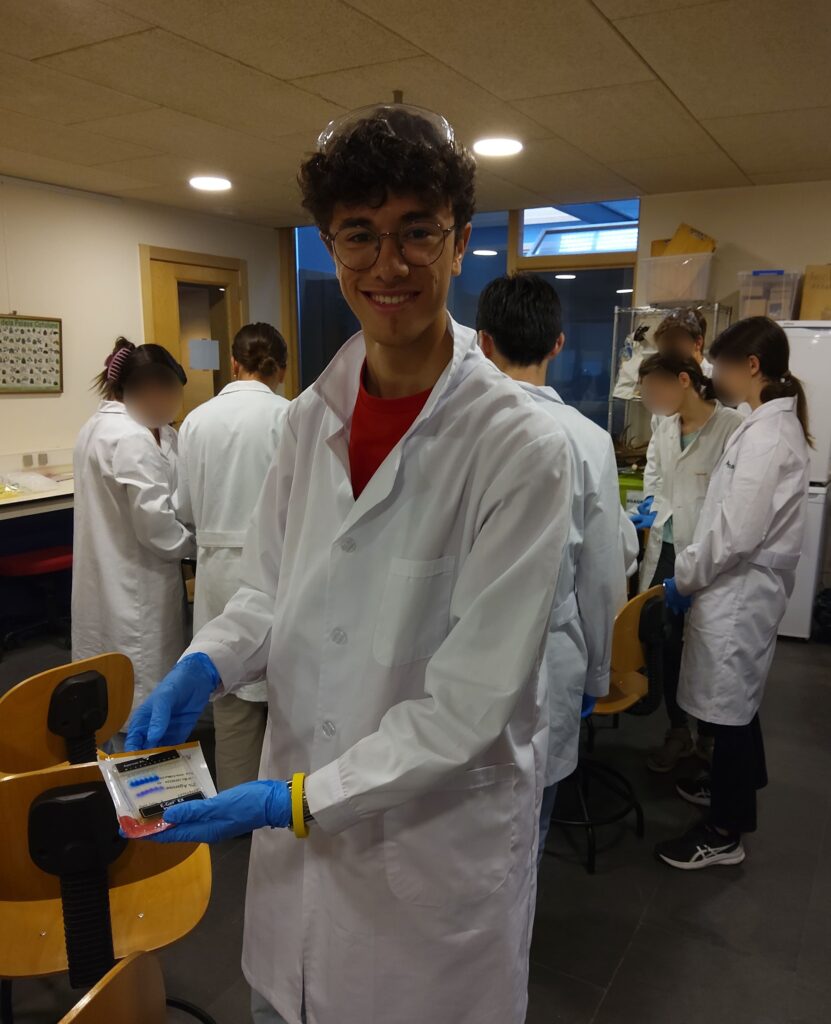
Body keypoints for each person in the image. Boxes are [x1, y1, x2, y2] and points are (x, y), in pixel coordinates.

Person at [125, 104, 573, 1024]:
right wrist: (205, 662)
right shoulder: (307, 420)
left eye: (417, 231)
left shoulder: (518, 448)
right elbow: (268, 591)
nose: (388, 263)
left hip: (428, 867)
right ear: (331, 247)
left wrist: (293, 801)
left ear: (459, 242)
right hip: (298, 879)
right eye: (359, 234)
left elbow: (470, 705)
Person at [476, 272, 628, 865]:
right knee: (528, 826)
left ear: (483, 342)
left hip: (458, 655)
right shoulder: (588, 441)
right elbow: (602, 574)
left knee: (458, 827)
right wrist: (598, 673)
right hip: (550, 654)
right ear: (558, 344)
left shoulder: (455, 432)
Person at [656, 317, 811, 870]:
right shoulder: (762, 424)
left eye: (720, 365)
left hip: (739, 591)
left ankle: (725, 830)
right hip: (739, 587)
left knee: (730, 709)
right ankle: (735, 783)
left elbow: (736, 533)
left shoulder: (767, 436)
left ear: (751, 366)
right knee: (735, 702)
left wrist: (685, 577)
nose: (712, 374)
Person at [176, 323, 290, 790]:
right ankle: (283, 803)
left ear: (234, 364)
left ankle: (235, 805)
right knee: (286, 700)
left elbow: (184, 508)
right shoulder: (291, 415)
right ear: (281, 369)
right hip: (280, 566)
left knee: (229, 699)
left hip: (218, 572)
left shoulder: (196, 421)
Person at [72, 338, 194, 714]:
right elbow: (156, 528)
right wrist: (197, 545)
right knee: (142, 681)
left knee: (110, 682)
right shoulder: (131, 437)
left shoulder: (97, 427)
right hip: (138, 580)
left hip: (108, 574)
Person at [637, 353, 743, 773]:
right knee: (665, 639)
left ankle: (710, 737)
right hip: (666, 546)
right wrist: (650, 502)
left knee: (707, 645)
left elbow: (734, 501)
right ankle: (677, 729)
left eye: (654, 389)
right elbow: (654, 471)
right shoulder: (664, 425)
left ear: (684, 380)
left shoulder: (731, 427)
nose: (649, 399)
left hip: (709, 552)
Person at [642, 307, 711, 503]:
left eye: (674, 350)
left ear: (698, 343)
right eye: (663, 351)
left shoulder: (720, 388)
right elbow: (656, 457)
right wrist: (651, 499)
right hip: (669, 504)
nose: (667, 359)